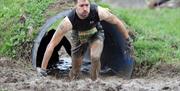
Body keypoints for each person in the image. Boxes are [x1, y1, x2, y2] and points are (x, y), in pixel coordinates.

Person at [37, 0, 131, 81]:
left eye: (87, 5)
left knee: (95, 56)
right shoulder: (68, 22)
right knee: (75, 70)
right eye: (81, 6)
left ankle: (94, 81)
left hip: (95, 34)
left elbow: (117, 22)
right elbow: (51, 45)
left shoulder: (99, 12)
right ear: (75, 6)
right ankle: (73, 79)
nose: (85, 9)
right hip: (78, 36)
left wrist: (127, 40)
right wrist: (43, 70)